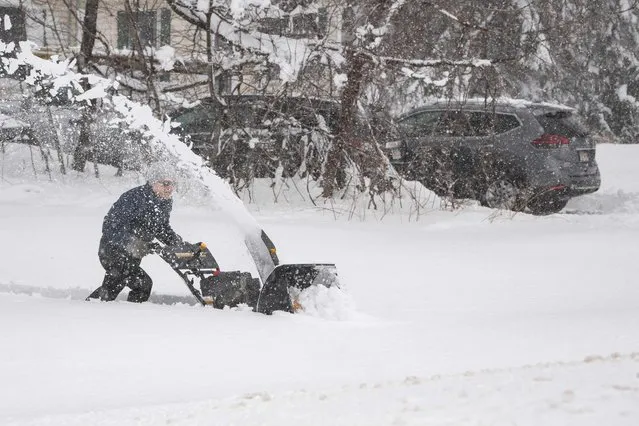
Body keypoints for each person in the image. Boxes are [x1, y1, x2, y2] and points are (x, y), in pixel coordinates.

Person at [87, 163, 186, 303]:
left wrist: (176, 242)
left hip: (132, 256)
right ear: (153, 182)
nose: (169, 188)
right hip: (113, 251)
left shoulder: (164, 202)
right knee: (121, 283)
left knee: (140, 285)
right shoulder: (135, 198)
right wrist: (133, 243)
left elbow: (160, 227)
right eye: (165, 183)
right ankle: (89, 311)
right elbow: (110, 226)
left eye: (172, 184)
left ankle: (128, 316)